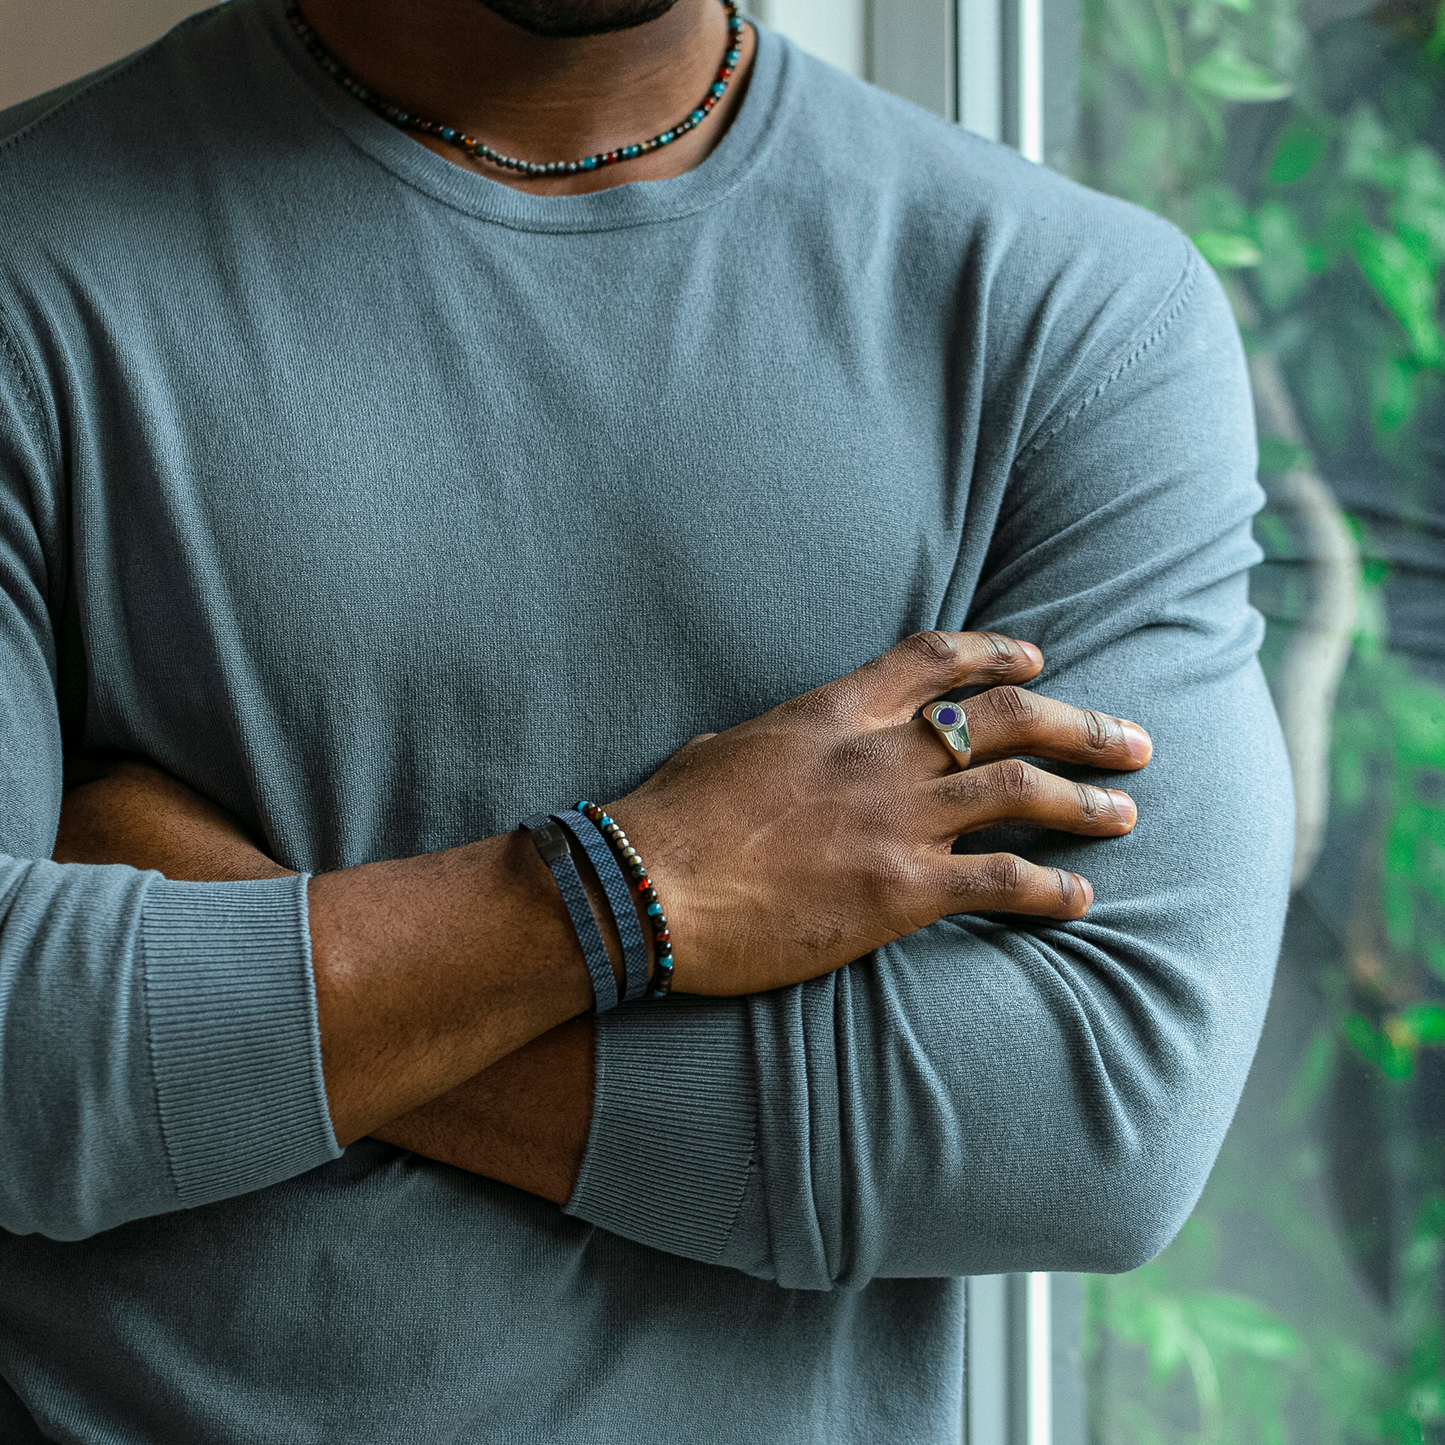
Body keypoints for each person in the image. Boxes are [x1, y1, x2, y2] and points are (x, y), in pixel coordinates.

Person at [0, 0, 1293, 1438]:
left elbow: (1092, 1125)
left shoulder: (1074, 314)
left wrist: (239, 951)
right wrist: (634, 890)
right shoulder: (27, 248)